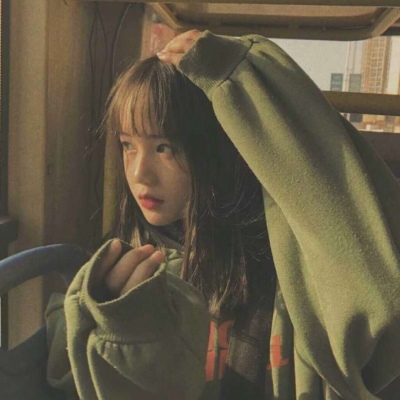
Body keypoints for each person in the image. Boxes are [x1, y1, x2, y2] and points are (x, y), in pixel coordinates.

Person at [46, 30, 400, 400]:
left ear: (218, 148)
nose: (139, 174)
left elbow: (375, 282)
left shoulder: (289, 270)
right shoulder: (120, 272)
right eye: (128, 145)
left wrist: (249, 82)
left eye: (164, 147)